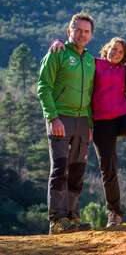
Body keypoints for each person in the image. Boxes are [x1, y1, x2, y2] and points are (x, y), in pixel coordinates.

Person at [49, 37, 126, 228]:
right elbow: (77, 52)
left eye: (120, 52)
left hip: (122, 117)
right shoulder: (94, 63)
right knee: (108, 168)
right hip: (101, 123)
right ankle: (114, 214)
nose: (115, 53)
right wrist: (58, 41)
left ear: (124, 57)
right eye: (113, 49)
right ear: (106, 48)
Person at [37, 12, 96, 235]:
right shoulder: (57, 53)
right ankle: (57, 220)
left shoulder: (90, 60)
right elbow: (43, 86)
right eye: (78, 30)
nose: (82, 34)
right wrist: (53, 117)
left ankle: (72, 217)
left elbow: (90, 93)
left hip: (82, 122)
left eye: (86, 31)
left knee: (78, 170)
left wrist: (89, 123)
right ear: (69, 31)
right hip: (60, 118)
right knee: (60, 169)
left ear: (91, 35)